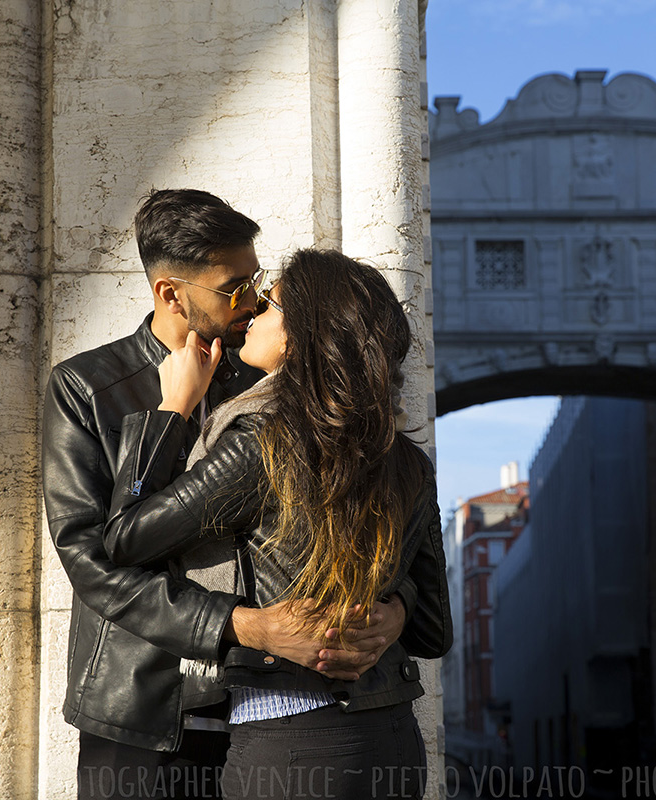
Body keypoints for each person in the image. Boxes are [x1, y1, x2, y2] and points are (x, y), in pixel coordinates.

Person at [42, 191, 413, 800]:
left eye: (257, 281)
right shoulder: (88, 387)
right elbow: (92, 560)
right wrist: (244, 626)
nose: (255, 301)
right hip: (144, 708)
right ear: (171, 293)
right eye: (233, 287)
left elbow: (375, 520)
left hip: (273, 709)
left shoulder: (279, 376)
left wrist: (393, 608)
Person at [101, 249, 453, 800]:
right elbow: (433, 629)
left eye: (269, 306)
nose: (253, 314)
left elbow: (125, 537)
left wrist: (171, 411)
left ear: (298, 336)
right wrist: (393, 610)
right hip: (395, 742)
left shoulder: (262, 443)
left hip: (293, 745)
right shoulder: (407, 460)